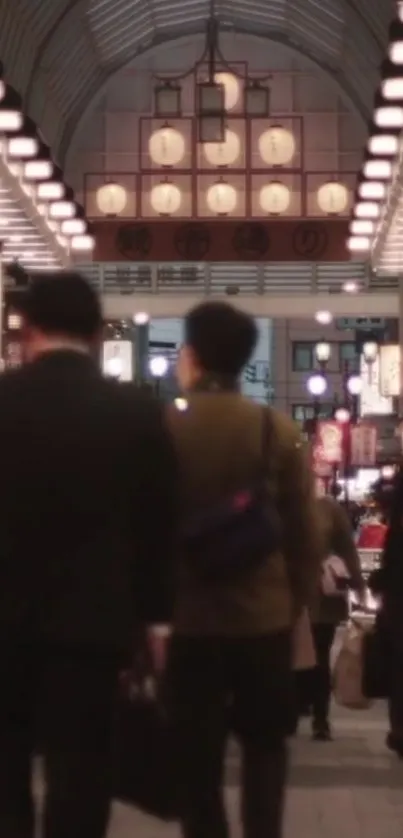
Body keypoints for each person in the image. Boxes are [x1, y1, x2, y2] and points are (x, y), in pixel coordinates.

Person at [0, 272, 178, 838]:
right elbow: (157, 530)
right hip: (93, 627)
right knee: (81, 774)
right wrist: (156, 621)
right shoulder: (134, 413)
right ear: (99, 333)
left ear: (27, 329)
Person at [166, 301, 323, 838]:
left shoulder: (164, 426)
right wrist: (294, 599)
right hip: (262, 618)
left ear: (190, 357)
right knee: (265, 744)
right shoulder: (275, 429)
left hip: (188, 617)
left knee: (195, 754)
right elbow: (306, 533)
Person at [309, 496, 364, 741]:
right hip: (293, 596)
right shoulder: (325, 509)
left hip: (320, 595)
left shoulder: (328, 509)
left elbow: (347, 549)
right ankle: (313, 714)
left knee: (319, 656)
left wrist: (358, 583)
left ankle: (319, 717)